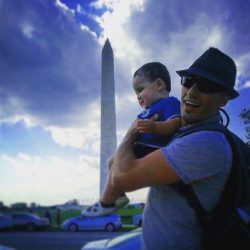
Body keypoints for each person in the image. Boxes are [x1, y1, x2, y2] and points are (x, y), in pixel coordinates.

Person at [108, 47, 239, 249]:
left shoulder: (205, 143)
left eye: (205, 86)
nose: (191, 91)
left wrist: (132, 132)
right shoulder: (185, 133)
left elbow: (121, 177)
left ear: (224, 100)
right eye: (188, 81)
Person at [82, 62, 181, 217]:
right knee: (111, 162)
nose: (138, 97)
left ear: (159, 84)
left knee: (118, 166)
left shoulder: (170, 103)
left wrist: (155, 127)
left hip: (151, 148)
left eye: (140, 90)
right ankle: (119, 196)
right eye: (136, 94)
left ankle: (106, 202)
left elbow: (175, 123)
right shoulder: (148, 111)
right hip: (140, 146)